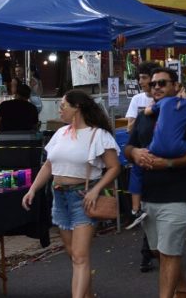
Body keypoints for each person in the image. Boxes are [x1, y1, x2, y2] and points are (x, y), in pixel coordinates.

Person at [22, 90, 121, 298]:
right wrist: (33, 189)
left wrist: (95, 190)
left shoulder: (98, 135)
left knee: (79, 257)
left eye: (63, 105)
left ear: (77, 108)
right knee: (74, 255)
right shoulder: (60, 133)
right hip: (59, 197)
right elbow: (49, 165)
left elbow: (114, 167)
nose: (60, 109)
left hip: (82, 198)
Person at [125, 69, 186, 298]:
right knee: (157, 251)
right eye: (153, 84)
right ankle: (184, 289)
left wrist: (169, 163)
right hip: (149, 194)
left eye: (162, 83)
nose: (156, 88)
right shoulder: (144, 115)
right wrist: (136, 154)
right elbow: (128, 147)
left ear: (175, 85)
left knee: (169, 252)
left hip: (179, 192)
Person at [124, 62, 159, 231]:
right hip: (141, 147)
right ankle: (135, 210)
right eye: (139, 78)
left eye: (144, 78)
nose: (141, 82)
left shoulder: (164, 99)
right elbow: (129, 127)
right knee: (136, 173)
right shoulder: (137, 100)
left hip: (160, 151)